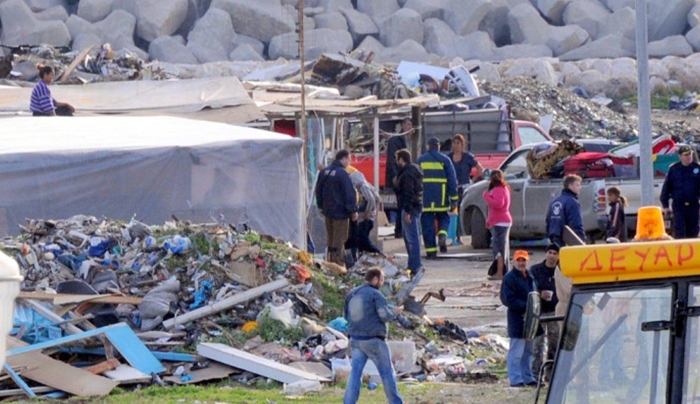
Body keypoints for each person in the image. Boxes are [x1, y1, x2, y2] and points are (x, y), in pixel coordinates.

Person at [343, 268, 404, 404]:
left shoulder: (352, 294)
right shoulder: (376, 295)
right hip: (375, 341)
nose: (382, 283)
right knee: (387, 373)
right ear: (375, 279)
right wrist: (395, 313)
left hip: (356, 340)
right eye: (382, 279)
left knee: (355, 374)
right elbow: (384, 316)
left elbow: (346, 316)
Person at [500, 250, 538, 388]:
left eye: (524, 260)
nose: (521, 263)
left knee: (528, 351)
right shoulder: (510, 278)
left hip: (531, 319)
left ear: (527, 261)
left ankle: (527, 377)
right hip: (517, 318)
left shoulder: (530, 277)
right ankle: (515, 379)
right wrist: (526, 306)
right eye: (519, 260)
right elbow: (507, 299)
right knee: (516, 351)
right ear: (513, 262)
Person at [315, 150, 358, 266]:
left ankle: (330, 261)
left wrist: (321, 206)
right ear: (343, 159)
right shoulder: (342, 174)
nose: (349, 162)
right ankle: (337, 264)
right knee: (340, 239)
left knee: (331, 238)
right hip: (340, 213)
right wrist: (353, 210)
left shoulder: (324, 172)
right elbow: (349, 194)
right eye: (348, 160)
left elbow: (318, 191)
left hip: (328, 211)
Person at [417, 137, 458, 258]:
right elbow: (452, 181)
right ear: (438, 146)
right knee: (444, 218)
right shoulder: (445, 160)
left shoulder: (421, 160)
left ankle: (431, 252)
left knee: (427, 225)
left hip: (426, 199)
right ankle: (442, 234)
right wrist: (454, 199)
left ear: (428, 146)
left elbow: (415, 179)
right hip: (441, 197)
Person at [530, 244, 560, 383]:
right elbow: (530, 286)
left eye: (555, 253)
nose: (552, 256)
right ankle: (535, 375)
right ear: (545, 254)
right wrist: (539, 294)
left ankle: (551, 374)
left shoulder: (561, 271)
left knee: (554, 344)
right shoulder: (536, 270)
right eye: (550, 252)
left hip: (555, 312)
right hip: (540, 312)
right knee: (538, 345)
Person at [448, 134, 484, 244]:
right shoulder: (448, 157)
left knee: (463, 211)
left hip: (464, 188)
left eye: (458, 143)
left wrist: (472, 182)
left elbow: (480, 169)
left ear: (462, 144)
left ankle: (463, 235)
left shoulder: (468, 157)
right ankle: (453, 236)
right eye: (454, 143)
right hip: (452, 189)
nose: (456, 145)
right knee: (452, 213)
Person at [344, 166, 383, 265]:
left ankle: (379, 254)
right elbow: (378, 199)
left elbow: (370, 199)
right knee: (360, 240)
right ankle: (362, 259)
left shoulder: (362, 186)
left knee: (362, 240)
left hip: (365, 218)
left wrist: (367, 212)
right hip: (369, 218)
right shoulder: (369, 185)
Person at [660, 144, 700, 238]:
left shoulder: (697, 168)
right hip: (679, 205)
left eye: (690, 154)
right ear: (680, 156)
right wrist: (665, 205)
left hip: (693, 205)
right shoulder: (674, 169)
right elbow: (666, 188)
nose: (688, 157)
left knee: (693, 231)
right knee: (679, 230)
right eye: (685, 155)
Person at [394, 148, 423, 275]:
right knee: (410, 237)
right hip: (414, 207)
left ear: (401, 159)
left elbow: (408, 193)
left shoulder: (407, 174)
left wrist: (407, 211)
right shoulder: (412, 171)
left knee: (412, 238)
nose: (396, 162)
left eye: (397, 159)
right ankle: (413, 264)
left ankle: (415, 265)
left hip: (410, 209)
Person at [483, 169, 512, 279]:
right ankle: (504, 271)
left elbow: (499, 204)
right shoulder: (504, 188)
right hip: (500, 221)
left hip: (501, 222)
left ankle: (500, 273)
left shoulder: (498, 189)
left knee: (498, 248)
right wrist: (489, 221)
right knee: (503, 248)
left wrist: (486, 196)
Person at [386, 118, 412, 238]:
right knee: (401, 203)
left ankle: (401, 229)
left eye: (411, 125)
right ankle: (399, 230)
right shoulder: (396, 140)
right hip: (400, 177)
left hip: (408, 175)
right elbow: (392, 160)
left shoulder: (414, 139)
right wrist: (396, 176)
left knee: (404, 203)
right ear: (402, 125)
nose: (409, 127)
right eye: (407, 124)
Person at [546, 174, 585, 246]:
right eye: (578, 185)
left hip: (554, 237)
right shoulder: (572, 202)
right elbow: (576, 223)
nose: (580, 188)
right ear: (570, 185)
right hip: (567, 240)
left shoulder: (554, 201)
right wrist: (582, 240)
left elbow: (548, 221)